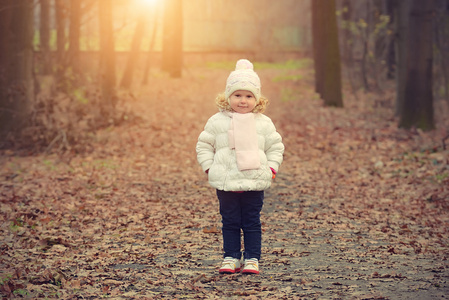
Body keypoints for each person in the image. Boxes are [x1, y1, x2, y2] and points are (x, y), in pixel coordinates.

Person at [196, 59, 284, 275]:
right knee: (230, 221)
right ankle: (231, 256)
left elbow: (276, 147)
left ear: (257, 99)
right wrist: (209, 167)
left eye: (248, 96)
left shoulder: (263, 123)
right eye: (237, 95)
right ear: (228, 96)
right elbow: (204, 144)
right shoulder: (217, 121)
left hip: (254, 181)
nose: (242, 101)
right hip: (227, 183)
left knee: (252, 221)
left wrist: (272, 168)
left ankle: (252, 258)